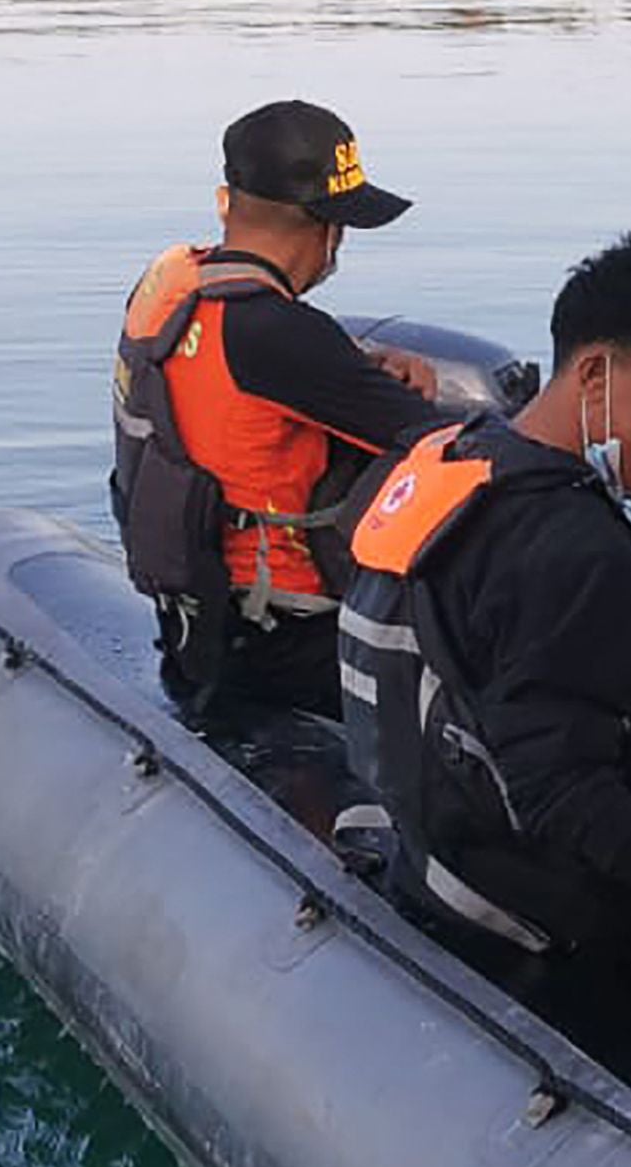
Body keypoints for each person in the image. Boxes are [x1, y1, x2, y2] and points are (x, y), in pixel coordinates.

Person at [337, 238, 631, 964]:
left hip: (433, 847)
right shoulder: (578, 552)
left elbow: (512, 681)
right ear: (595, 373)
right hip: (519, 902)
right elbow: (558, 790)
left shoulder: (459, 459)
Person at [111, 99, 447, 716]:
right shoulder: (278, 336)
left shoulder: (172, 282)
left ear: (227, 201)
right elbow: (451, 447)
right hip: (290, 646)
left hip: (201, 627)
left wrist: (359, 361)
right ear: (327, 229)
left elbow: (253, 375)